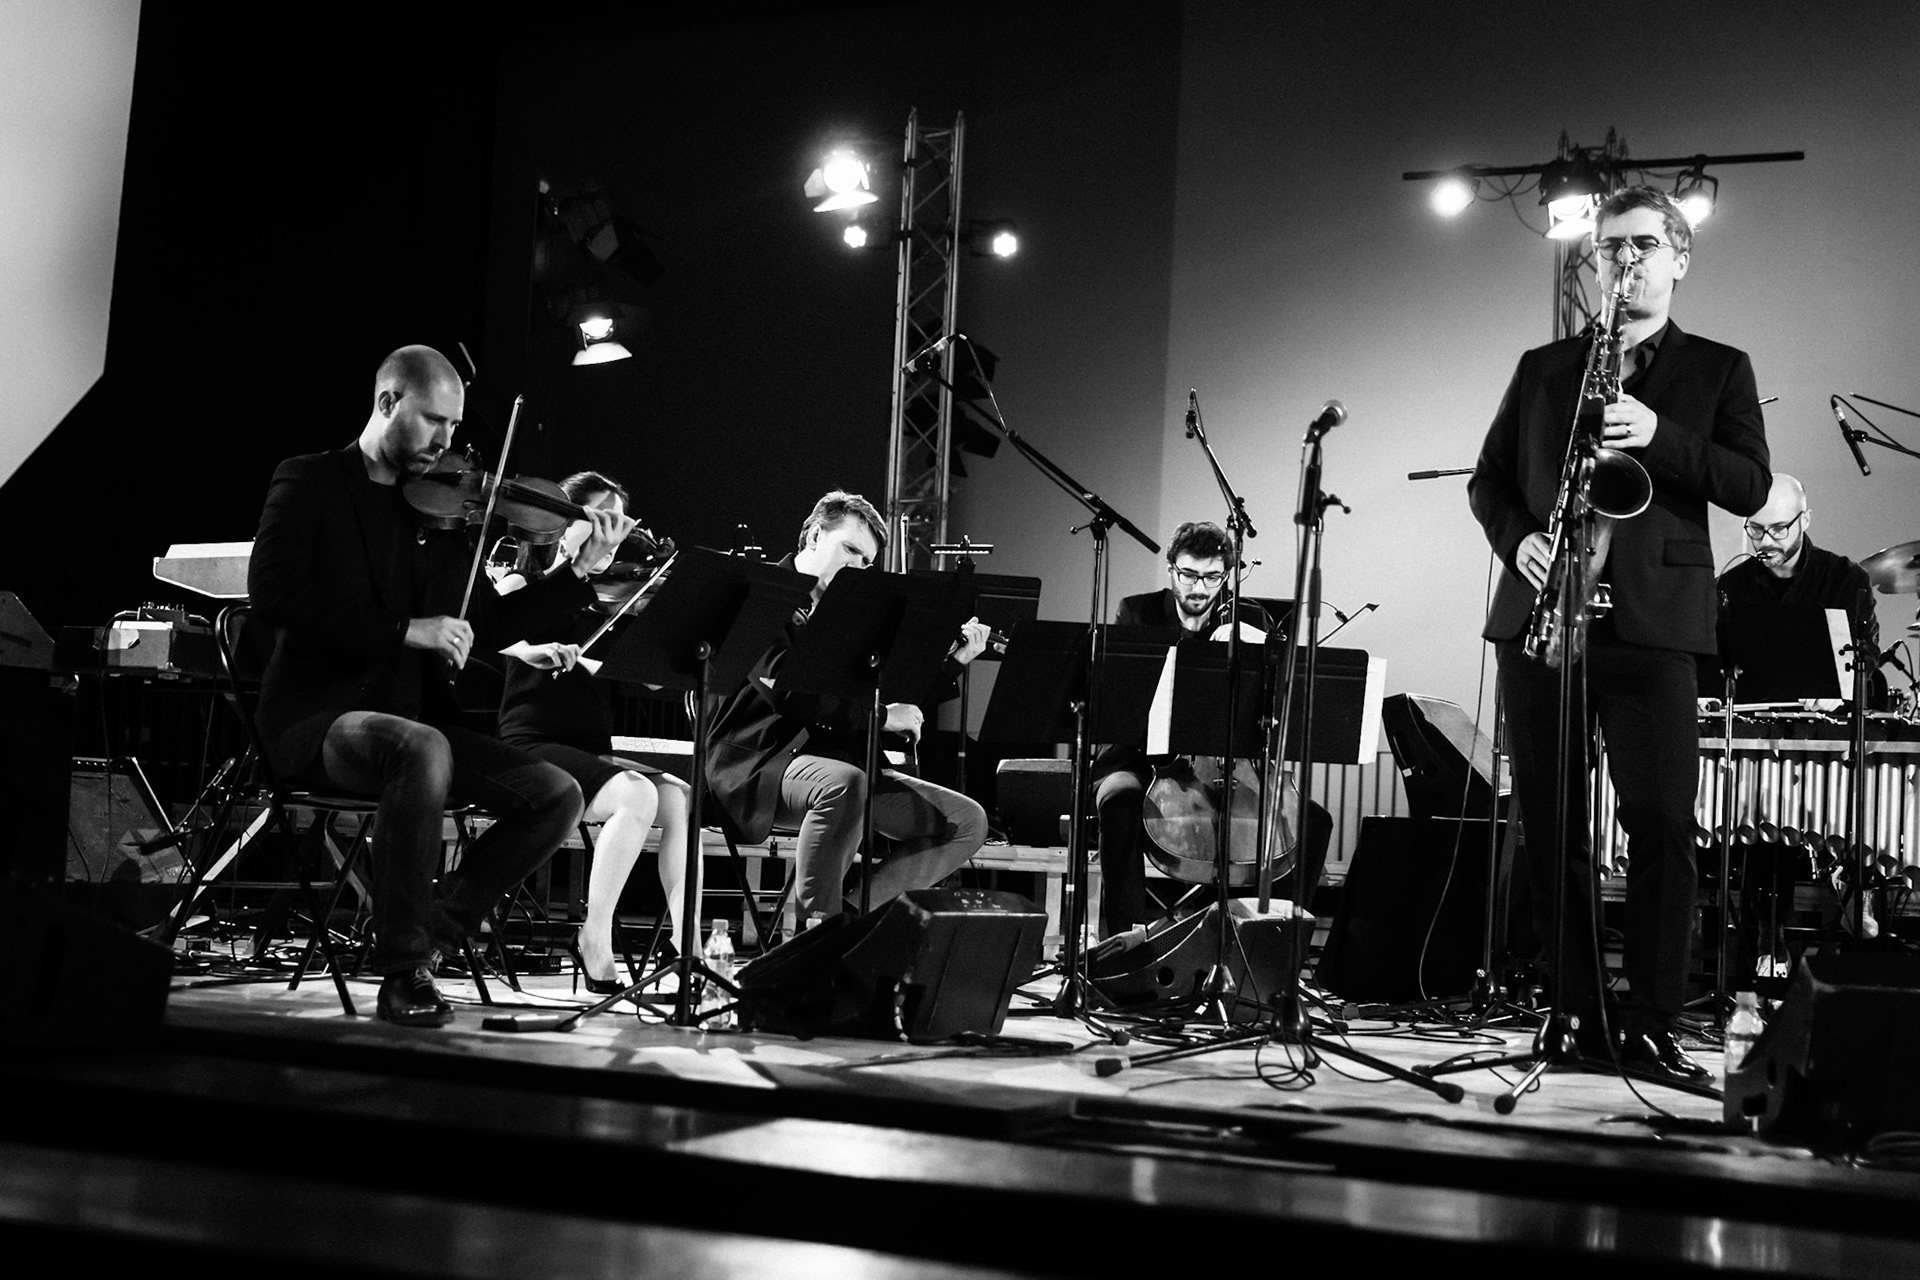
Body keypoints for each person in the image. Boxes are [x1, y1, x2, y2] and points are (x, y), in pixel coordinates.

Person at [1468, 186, 1770, 1081]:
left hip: (1652, 623)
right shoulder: (1544, 367)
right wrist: (1519, 538)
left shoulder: (1720, 368)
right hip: (1544, 619)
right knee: (1551, 830)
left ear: (1680, 256)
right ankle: (1569, 1013)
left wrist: (1660, 435)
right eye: (1609, 248)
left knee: (1662, 825)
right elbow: (1488, 481)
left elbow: (1750, 486)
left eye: (1642, 245)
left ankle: (1650, 1019)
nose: (1623, 260)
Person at [248, 345, 628, 1027]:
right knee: (420, 748)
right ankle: (401, 973)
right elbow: (274, 594)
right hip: (317, 717)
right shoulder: (309, 481)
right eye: (433, 422)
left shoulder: (441, 516)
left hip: (414, 722)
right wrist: (405, 631)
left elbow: (483, 620)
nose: (448, 442)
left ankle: (432, 934)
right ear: (389, 402)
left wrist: (576, 575)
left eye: (455, 427)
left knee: (556, 795)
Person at [703, 489, 990, 924]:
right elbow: (791, 694)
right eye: (850, 550)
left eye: (866, 562)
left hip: (842, 762)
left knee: (967, 821)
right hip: (765, 761)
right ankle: (816, 934)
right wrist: (881, 716)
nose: (858, 568)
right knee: (844, 784)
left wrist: (952, 663)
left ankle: (848, 920)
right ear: (816, 536)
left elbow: (889, 690)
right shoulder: (764, 593)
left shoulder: (850, 610)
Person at [492, 471, 697, 994]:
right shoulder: (525, 588)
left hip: (588, 749)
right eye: (601, 517)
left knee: (678, 798)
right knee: (637, 794)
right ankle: (595, 936)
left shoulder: (614, 598)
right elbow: (492, 642)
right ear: (565, 521)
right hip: (531, 742)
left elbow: (652, 677)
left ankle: (691, 948)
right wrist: (535, 650)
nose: (614, 532)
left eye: (620, 521)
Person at [1092, 521, 1332, 938]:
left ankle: (1276, 944)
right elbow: (1124, 695)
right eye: (1188, 575)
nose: (1199, 588)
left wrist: (1260, 643)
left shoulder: (1250, 615)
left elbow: (1286, 693)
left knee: (1313, 820)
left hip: (1230, 764)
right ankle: (1124, 944)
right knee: (1119, 801)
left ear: (1226, 575)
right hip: (1143, 756)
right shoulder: (1138, 612)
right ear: (1171, 571)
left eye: (1212, 577)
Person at [1715, 473, 1885, 706]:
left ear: (1805, 520)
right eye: (1756, 529)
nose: (1765, 541)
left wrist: (1840, 689)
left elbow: (1866, 651)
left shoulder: (1846, 578)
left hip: (1826, 723)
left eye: (1779, 529)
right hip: (1749, 725)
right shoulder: (1729, 585)